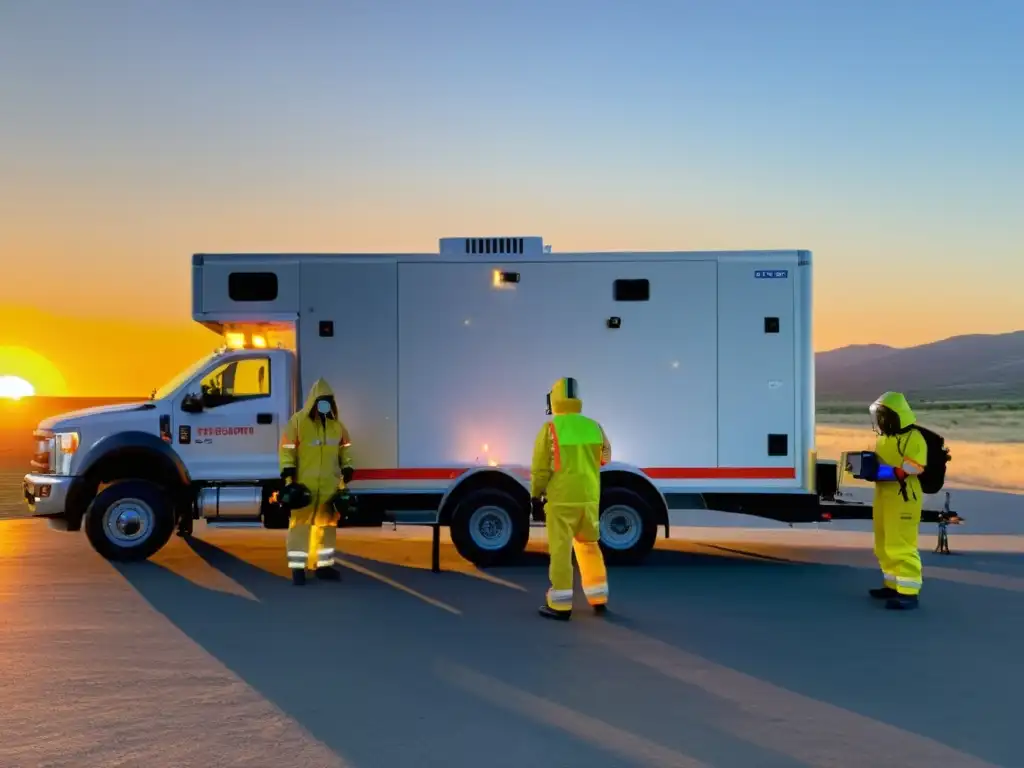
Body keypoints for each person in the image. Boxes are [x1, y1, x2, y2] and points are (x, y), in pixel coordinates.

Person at [530, 377, 612, 620]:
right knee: (589, 546)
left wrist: (535, 495)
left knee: (561, 552)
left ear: (554, 399)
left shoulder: (550, 429)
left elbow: (540, 468)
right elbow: (605, 457)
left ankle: (560, 605)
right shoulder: (594, 426)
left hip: (561, 500)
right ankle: (598, 597)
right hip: (588, 498)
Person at [278, 378, 354, 585]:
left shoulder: (336, 426)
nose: (324, 404)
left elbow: (345, 447)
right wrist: (287, 471)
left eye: (328, 400)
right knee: (300, 526)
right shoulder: (298, 422)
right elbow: (286, 449)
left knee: (327, 528)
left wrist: (347, 466)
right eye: (321, 400)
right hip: (304, 486)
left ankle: (324, 566)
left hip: (328, 486)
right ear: (313, 401)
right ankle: (298, 569)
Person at [866, 391, 927, 610]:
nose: (879, 421)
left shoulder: (914, 438)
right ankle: (892, 585)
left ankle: (909, 593)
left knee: (901, 543)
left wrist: (884, 472)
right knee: (884, 543)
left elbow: (914, 467)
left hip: (904, 498)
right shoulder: (884, 438)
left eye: (882, 416)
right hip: (884, 495)